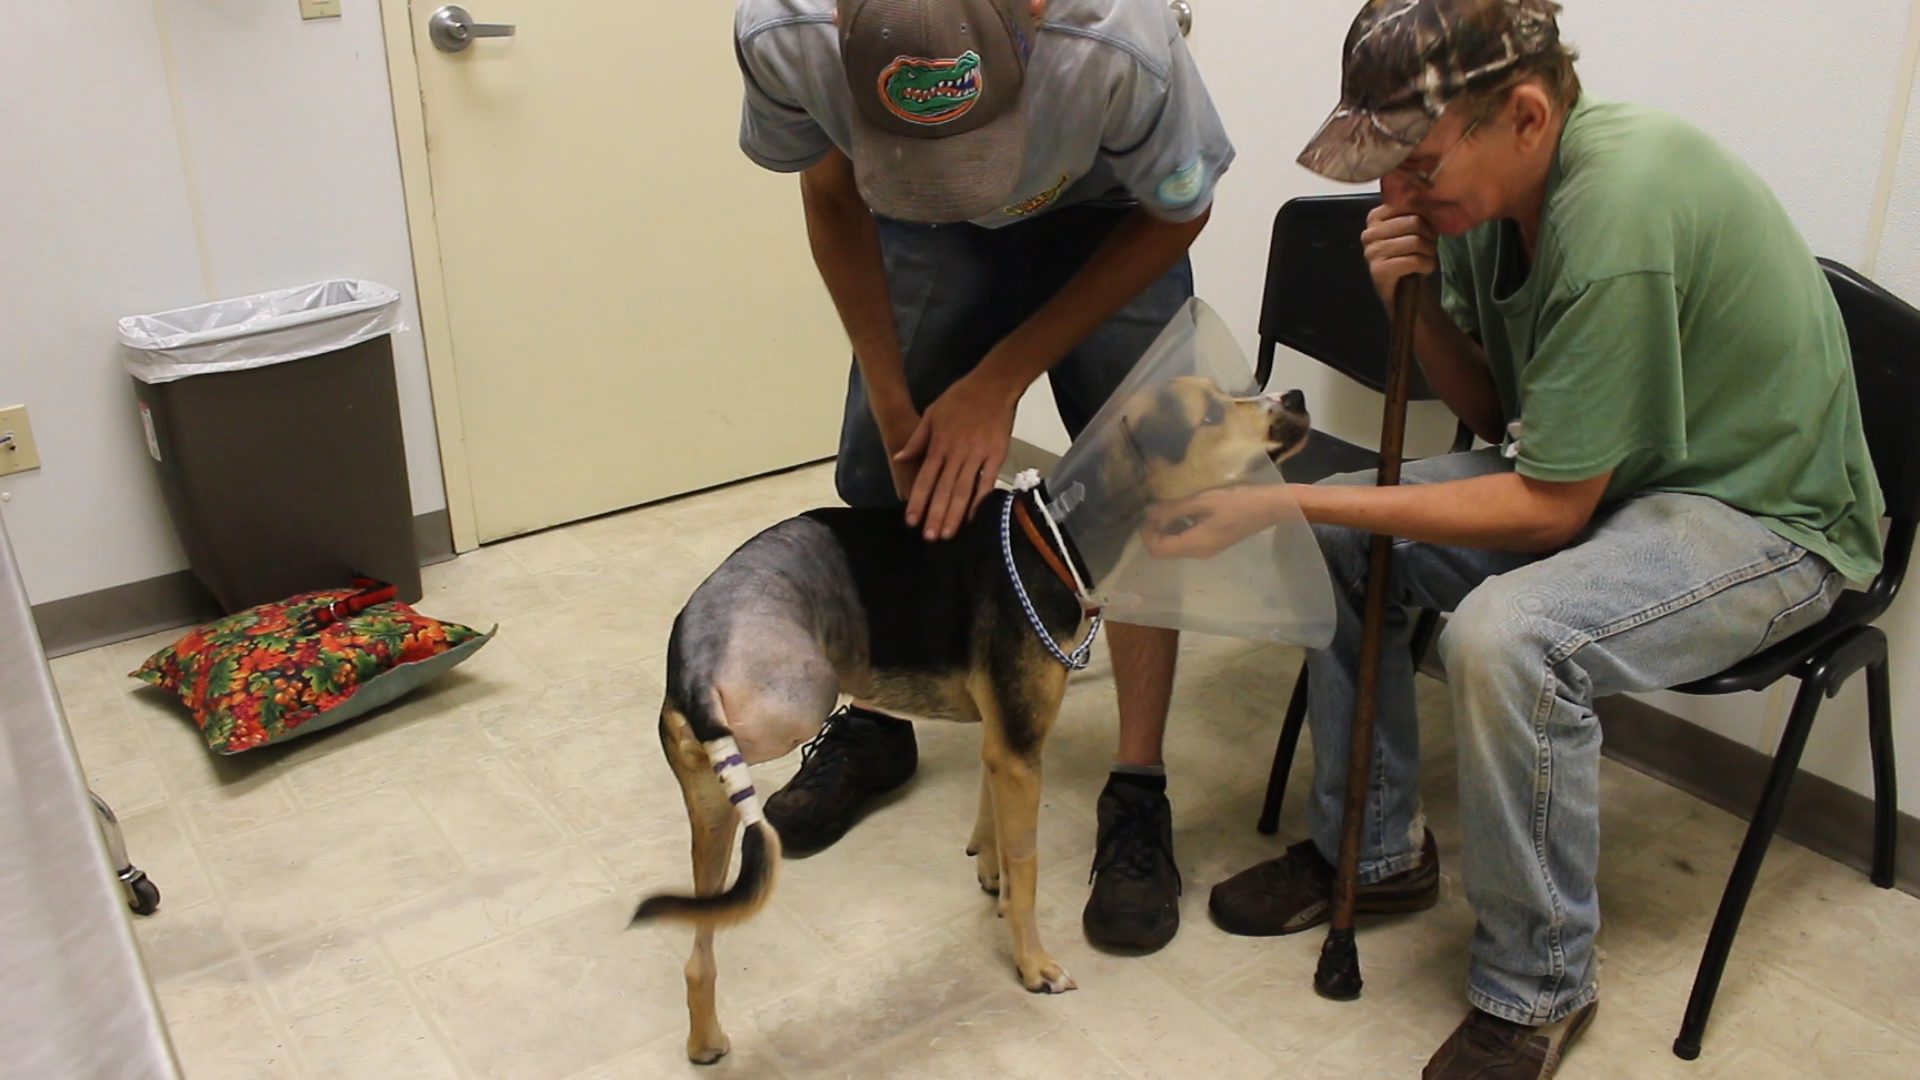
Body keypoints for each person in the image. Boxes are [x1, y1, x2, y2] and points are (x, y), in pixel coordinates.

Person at [1147, 1, 1885, 1074]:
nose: (1397, 193)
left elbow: (1549, 510)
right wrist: (1411, 302)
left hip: (1762, 514)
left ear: (1528, 116)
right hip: (1621, 476)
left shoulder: (1618, 208)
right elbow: (1501, 416)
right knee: (1345, 544)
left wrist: (1285, 501)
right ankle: (1374, 852)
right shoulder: (1488, 202)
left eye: (1417, 162)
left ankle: (1537, 986)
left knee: (1508, 637)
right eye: (1385, 167)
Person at [732, 0, 1235, 950]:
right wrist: (893, 397)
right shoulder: (786, 32)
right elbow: (833, 197)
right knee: (888, 472)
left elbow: (1181, 208)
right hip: (921, 223)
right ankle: (879, 718)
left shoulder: (1117, 44)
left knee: (1146, 496)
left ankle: (1137, 790)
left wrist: (1002, 379)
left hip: (1113, 212)